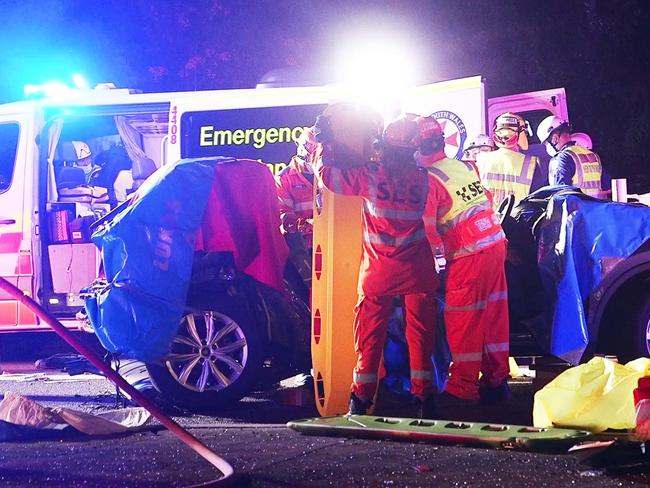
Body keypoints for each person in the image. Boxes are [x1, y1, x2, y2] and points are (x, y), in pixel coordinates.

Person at [315, 113, 439, 418]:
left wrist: (321, 143)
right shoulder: (425, 180)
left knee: (369, 337)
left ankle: (361, 400)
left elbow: (327, 176)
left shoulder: (368, 175)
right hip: (417, 270)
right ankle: (424, 400)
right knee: (421, 337)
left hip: (378, 272)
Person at [415, 114, 511, 410]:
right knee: (493, 315)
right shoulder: (463, 166)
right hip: (495, 244)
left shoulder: (427, 180)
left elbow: (428, 232)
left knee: (463, 320)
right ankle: (496, 381)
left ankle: (461, 390)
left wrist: (434, 267)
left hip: (469, 254)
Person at [476, 113, 545, 210]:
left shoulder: (481, 161)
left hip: (489, 223)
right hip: (518, 223)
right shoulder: (531, 164)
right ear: (521, 134)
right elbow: (538, 202)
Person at [276, 127, 317, 287]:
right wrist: (312, 225)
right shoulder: (284, 178)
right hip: (302, 251)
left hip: (332, 246)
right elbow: (285, 221)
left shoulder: (330, 176)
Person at [536, 116, 609, 198]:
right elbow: (608, 187)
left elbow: (561, 195)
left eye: (546, 144)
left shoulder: (561, 159)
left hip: (577, 210)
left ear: (555, 138)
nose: (546, 148)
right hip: (597, 209)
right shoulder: (593, 156)